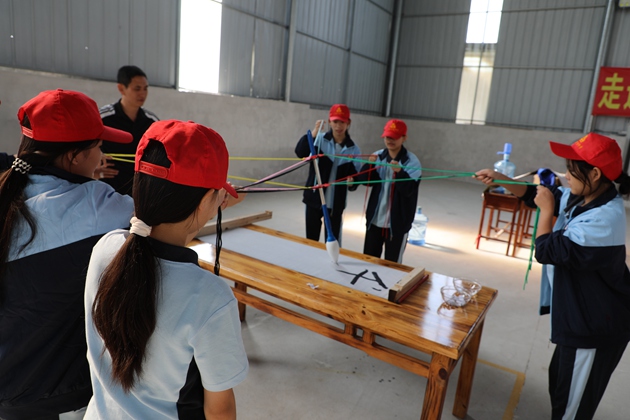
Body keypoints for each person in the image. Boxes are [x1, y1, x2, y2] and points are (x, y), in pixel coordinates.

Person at [85, 120, 249, 419]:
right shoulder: (211, 297)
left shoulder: (105, 249)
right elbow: (220, 409)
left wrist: (207, 202)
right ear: (207, 201)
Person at [0, 89, 134, 420]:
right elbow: (157, 218)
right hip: (48, 392)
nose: (102, 154)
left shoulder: (7, 189)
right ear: (75, 156)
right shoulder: (97, 204)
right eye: (99, 146)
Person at [475, 133, 630, 419]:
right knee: (560, 386)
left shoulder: (604, 219)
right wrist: (500, 178)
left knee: (571, 409)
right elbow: (538, 196)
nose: (566, 176)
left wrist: (547, 211)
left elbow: (548, 250)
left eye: (572, 169)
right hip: (579, 318)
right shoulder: (587, 196)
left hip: (594, 328)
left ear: (595, 174)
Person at [354, 119, 421, 262]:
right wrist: (369, 165)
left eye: (394, 137)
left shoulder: (412, 162)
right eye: (387, 137)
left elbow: (409, 190)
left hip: (397, 224)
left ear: (404, 138)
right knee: (369, 261)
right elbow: (366, 181)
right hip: (374, 221)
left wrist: (400, 172)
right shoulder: (378, 156)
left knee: (393, 265)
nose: (390, 140)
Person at [295, 104, 361, 244]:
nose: (338, 126)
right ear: (329, 121)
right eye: (335, 121)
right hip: (314, 200)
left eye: (342, 122)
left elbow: (356, 177)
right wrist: (313, 133)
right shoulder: (319, 140)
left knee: (332, 242)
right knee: (311, 241)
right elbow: (300, 152)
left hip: (335, 204)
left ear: (348, 123)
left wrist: (352, 182)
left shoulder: (353, 149)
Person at [98, 65, 159, 195]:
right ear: (121, 88)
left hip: (139, 196)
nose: (142, 93)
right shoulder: (102, 118)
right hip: (107, 194)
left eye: (145, 88)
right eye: (137, 88)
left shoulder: (152, 122)